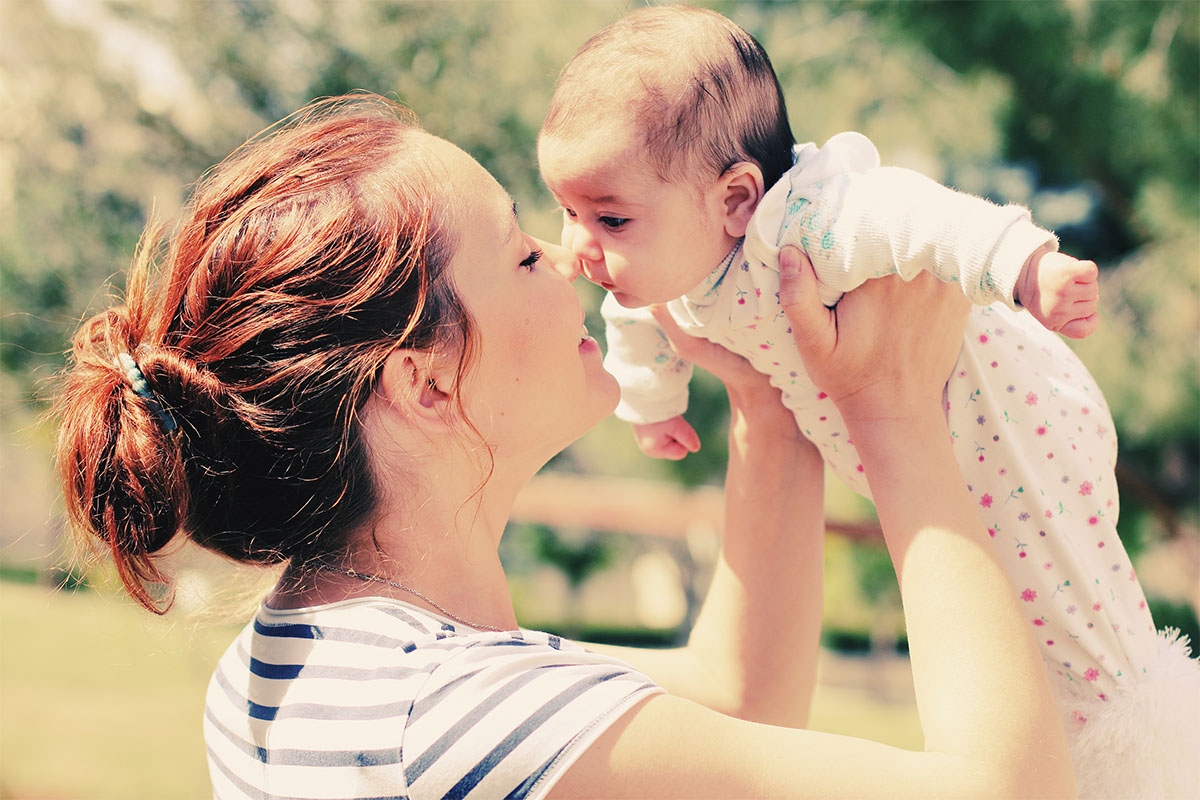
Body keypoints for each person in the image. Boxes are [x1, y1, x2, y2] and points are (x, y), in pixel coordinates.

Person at [53, 92, 1077, 798]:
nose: (579, 257)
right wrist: (891, 413)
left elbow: (738, 694)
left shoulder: (303, 664)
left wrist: (770, 399)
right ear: (425, 381)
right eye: (524, 250)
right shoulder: (450, 712)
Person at [537, 7, 1199, 797]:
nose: (580, 246)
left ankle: (1152, 769)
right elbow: (635, 325)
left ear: (738, 199)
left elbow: (920, 219)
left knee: (1078, 621)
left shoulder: (808, 224)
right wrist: (651, 406)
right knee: (998, 634)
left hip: (1011, 424)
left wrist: (1025, 266)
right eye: (569, 213)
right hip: (919, 439)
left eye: (608, 217)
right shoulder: (660, 266)